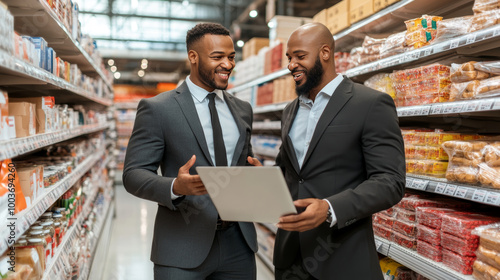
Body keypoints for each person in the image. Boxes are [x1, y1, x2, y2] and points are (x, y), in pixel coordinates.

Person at [122, 23, 259, 279]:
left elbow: (242, 166)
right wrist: (176, 187)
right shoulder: (158, 109)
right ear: (193, 57)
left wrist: (256, 176)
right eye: (217, 57)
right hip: (181, 247)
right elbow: (133, 174)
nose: (227, 65)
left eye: (231, 57)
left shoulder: (242, 110)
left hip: (238, 246)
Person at [273, 22, 406, 280]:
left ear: (325, 53)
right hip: (290, 259)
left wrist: (330, 207)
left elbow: (390, 182)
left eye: (300, 56)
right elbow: (291, 172)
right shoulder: (291, 110)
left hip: (342, 257)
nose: (291, 65)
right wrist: (265, 178)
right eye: (289, 58)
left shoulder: (370, 103)